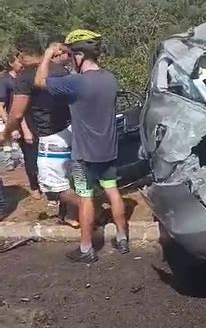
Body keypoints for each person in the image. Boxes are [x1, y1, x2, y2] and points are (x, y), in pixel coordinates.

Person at [35, 30, 129, 263]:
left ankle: (87, 249)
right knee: (113, 191)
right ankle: (122, 238)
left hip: (84, 154)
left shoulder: (76, 82)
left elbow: (39, 82)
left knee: (85, 197)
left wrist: (47, 55)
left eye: (71, 54)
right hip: (108, 149)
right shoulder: (110, 79)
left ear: (79, 56)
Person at [0, 35, 79, 227]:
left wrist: (5, 133)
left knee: (52, 185)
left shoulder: (25, 77)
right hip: (70, 130)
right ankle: (70, 215)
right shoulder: (60, 69)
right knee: (69, 177)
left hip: (49, 134)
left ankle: (88, 208)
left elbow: (17, 113)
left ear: (22, 55)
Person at [0, 52, 41, 198]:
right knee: (29, 155)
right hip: (19, 121)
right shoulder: (6, 81)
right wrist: (11, 127)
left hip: (33, 119)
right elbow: (3, 107)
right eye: (18, 61)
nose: (22, 63)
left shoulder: (27, 76)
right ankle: (34, 186)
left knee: (38, 153)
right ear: (11, 64)